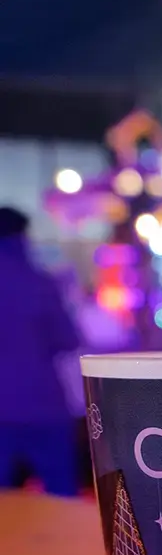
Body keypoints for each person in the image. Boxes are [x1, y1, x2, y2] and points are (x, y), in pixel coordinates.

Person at [0, 207, 81, 497]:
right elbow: (68, 339)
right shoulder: (40, 283)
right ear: (23, 236)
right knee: (61, 493)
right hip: (42, 401)